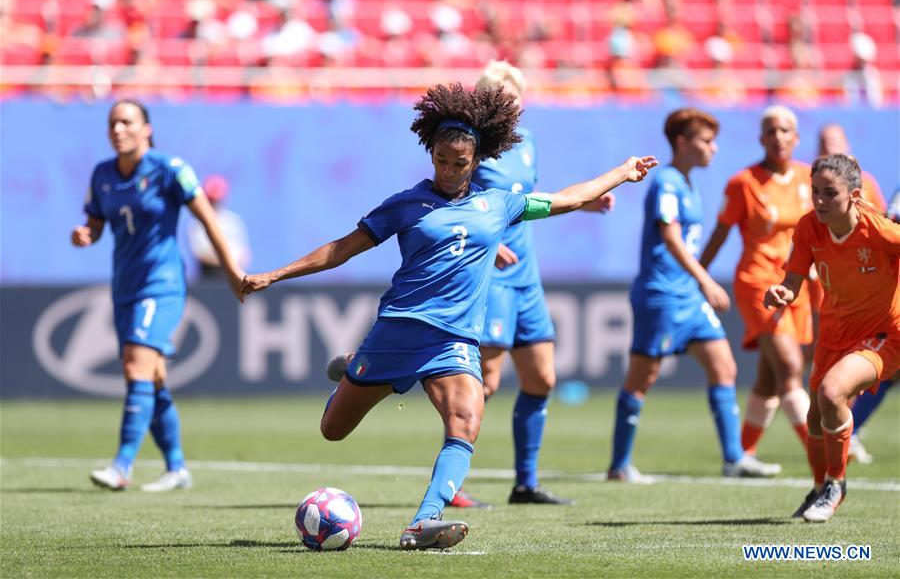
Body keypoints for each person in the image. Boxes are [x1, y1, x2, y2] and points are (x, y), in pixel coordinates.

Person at [239, 82, 657, 550]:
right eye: (442, 161)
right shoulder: (406, 204)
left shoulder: (500, 204)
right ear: (431, 154)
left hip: (453, 340)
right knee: (332, 431)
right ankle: (356, 367)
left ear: (475, 162)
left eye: (459, 164)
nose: (450, 171)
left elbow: (570, 198)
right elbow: (340, 250)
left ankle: (423, 522)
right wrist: (273, 275)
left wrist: (622, 171)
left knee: (465, 422)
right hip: (398, 330)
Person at [445, 60, 616, 508]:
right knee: (485, 382)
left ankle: (525, 484)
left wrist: (581, 204)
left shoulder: (528, 142)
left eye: (517, 94)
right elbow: (453, 202)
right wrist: (488, 239)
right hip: (491, 276)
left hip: (526, 276)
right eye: (502, 94)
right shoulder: (470, 147)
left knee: (542, 377)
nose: (512, 101)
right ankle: (451, 483)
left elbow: (527, 199)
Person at [71, 99, 244, 492]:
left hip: (161, 283)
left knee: (136, 367)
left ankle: (122, 465)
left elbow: (207, 218)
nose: (118, 129)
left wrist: (232, 271)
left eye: (126, 122)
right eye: (112, 123)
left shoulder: (169, 169)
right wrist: (85, 235)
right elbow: (96, 225)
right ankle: (177, 468)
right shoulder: (102, 175)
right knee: (153, 377)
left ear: (146, 128)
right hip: (125, 286)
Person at [607, 108, 780, 483]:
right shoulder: (666, 181)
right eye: (706, 141)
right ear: (682, 143)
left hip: (687, 296)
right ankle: (619, 465)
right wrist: (705, 279)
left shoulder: (688, 183)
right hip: (663, 296)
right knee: (642, 379)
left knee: (724, 367)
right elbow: (669, 237)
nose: (713, 148)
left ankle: (734, 459)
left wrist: (698, 283)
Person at [764, 154, 900, 522]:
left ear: (854, 195)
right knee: (814, 422)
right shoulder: (809, 227)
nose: (819, 201)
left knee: (832, 392)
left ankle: (835, 485)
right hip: (835, 334)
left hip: (883, 334)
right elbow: (791, 282)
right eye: (815, 192)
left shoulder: (883, 232)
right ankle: (819, 487)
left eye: (830, 193)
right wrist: (781, 293)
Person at [700, 105, 812, 461]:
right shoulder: (743, 183)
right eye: (770, 130)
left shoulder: (810, 178)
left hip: (797, 284)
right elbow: (720, 233)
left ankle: (741, 453)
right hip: (759, 283)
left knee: (769, 377)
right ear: (760, 137)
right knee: (791, 368)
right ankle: (823, 455)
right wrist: (698, 274)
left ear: (796, 137)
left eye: (784, 130)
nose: (778, 137)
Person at [815, 123, 891, 464]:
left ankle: (842, 450)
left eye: (835, 145)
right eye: (824, 145)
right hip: (835, 300)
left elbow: (884, 229)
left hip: (878, 306)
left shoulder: (868, 192)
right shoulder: (815, 195)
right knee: (817, 388)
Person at [188, 174, 251, 280]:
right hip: (209, 277)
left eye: (216, 200)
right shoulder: (197, 224)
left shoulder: (233, 221)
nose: (214, 203)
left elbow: (244, 253)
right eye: (211, 200)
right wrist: (226, 261)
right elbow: (201, 254)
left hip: (234, 274)